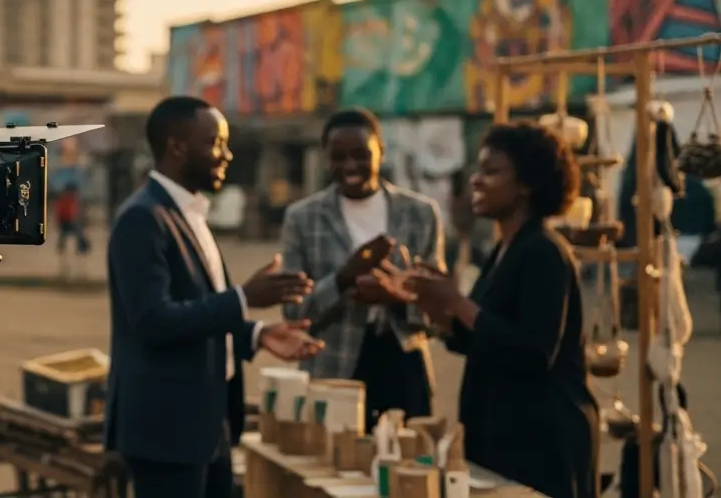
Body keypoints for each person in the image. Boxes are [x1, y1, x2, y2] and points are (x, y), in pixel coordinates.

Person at [105, 95, 323, 498]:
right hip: (167, 434)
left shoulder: (189, 212)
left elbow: (197, 313)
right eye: (216, 143)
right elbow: (153, 321)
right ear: (176, 147)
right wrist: (243, 297)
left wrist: (257, 334)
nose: (227, 154)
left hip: (209, 424)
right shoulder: (143, 218)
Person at [411, 122, 598, 498]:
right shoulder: (504, 249)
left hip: (544, 441)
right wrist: (430, 303)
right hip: (504, 431)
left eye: (491, 172)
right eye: (478, 171)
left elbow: (533, 353)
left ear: (527, 184)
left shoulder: (544, 251)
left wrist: (457, 302)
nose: (476, 182)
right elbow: (481, 339)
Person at [280, 107, 445, 426]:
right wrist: (343, 278)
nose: (350, 165)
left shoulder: (421, 214)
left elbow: (440, 311)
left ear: (381, 151)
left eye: (360, 154)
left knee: (406, 465)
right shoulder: (303, 218)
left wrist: (396, 296)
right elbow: (295, 314)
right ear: (326, 158)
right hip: (334, 367)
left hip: (404, 365)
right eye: (338, 157)